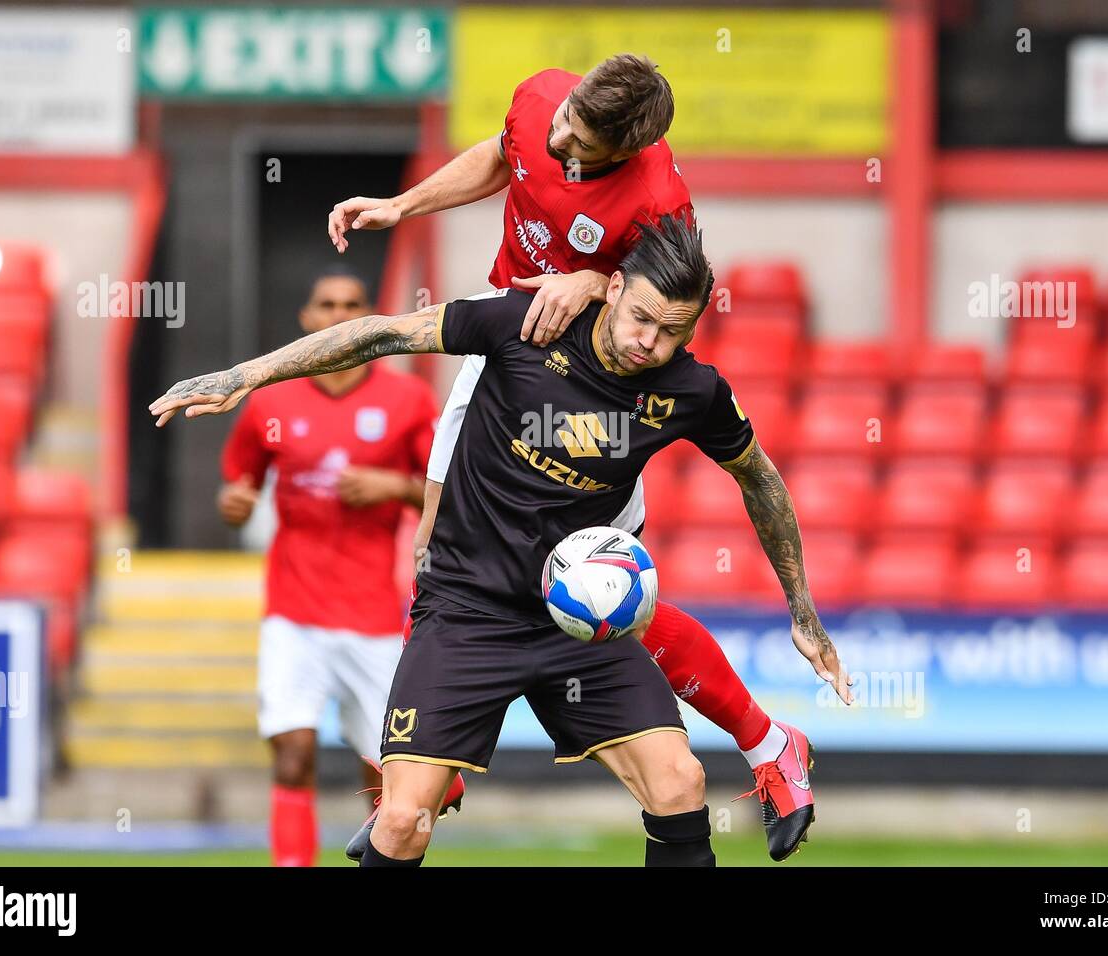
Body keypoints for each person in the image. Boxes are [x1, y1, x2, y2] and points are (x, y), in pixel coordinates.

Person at [151, 213, 853, 868]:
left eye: (673, 332)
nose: (650, 343)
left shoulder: (689, 390)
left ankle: (766, 748)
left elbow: (759, 479)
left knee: (679, 780)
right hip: (467, 611)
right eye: (641, 318)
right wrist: (242, 377)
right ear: (612, 287)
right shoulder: (525, 326)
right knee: (399, 822)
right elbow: (383, 334)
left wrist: (803, 610)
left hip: (576, 624)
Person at [328, 54, 830, 861]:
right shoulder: (543, 100)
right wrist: (403, 205)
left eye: (584, 141)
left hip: (601, 399)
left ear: (624, 154)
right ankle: (434, 764)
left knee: (595, 588)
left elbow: (673, 291)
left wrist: (596, 279)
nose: (562, 138)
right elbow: (502, 156)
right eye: (565, 123)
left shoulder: (662, 206)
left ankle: (769, 744)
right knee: (434, 549)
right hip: (508, 354)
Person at [216, 271, 444, 866]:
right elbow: (238, 488)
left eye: (352, 304)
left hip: (372, 614)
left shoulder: (409, 400)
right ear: (307, 318)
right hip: (293, 611)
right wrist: (234, 504)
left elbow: (454, 495)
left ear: (370, 316)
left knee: (401, 781)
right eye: (327, 304)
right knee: (293, 754)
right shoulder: (269, 401)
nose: (339, 313)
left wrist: (395, 485)